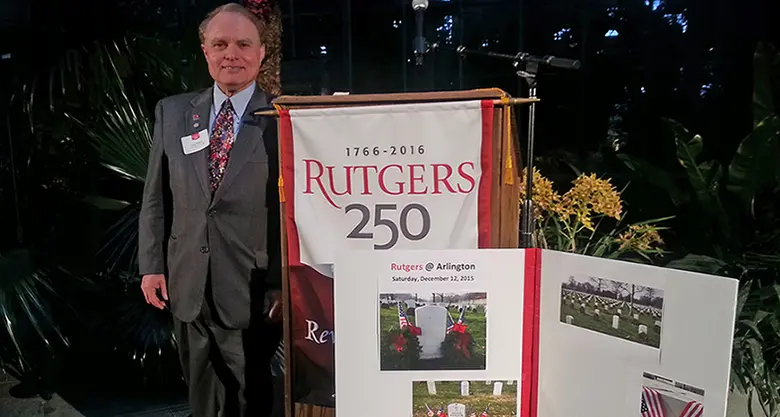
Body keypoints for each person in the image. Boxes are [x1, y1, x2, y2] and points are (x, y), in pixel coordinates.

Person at [137, 3, 282, 417]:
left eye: (242, 44)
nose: (230, 54)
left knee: (250, 396)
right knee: (200, 394)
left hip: (252, 288)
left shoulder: (282, 119)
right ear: (205, 51)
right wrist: (151, 265)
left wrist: (280, 283)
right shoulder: (173, 112)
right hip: (186, 282)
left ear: (260, 53)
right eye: (220, 44)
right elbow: (155, 196)